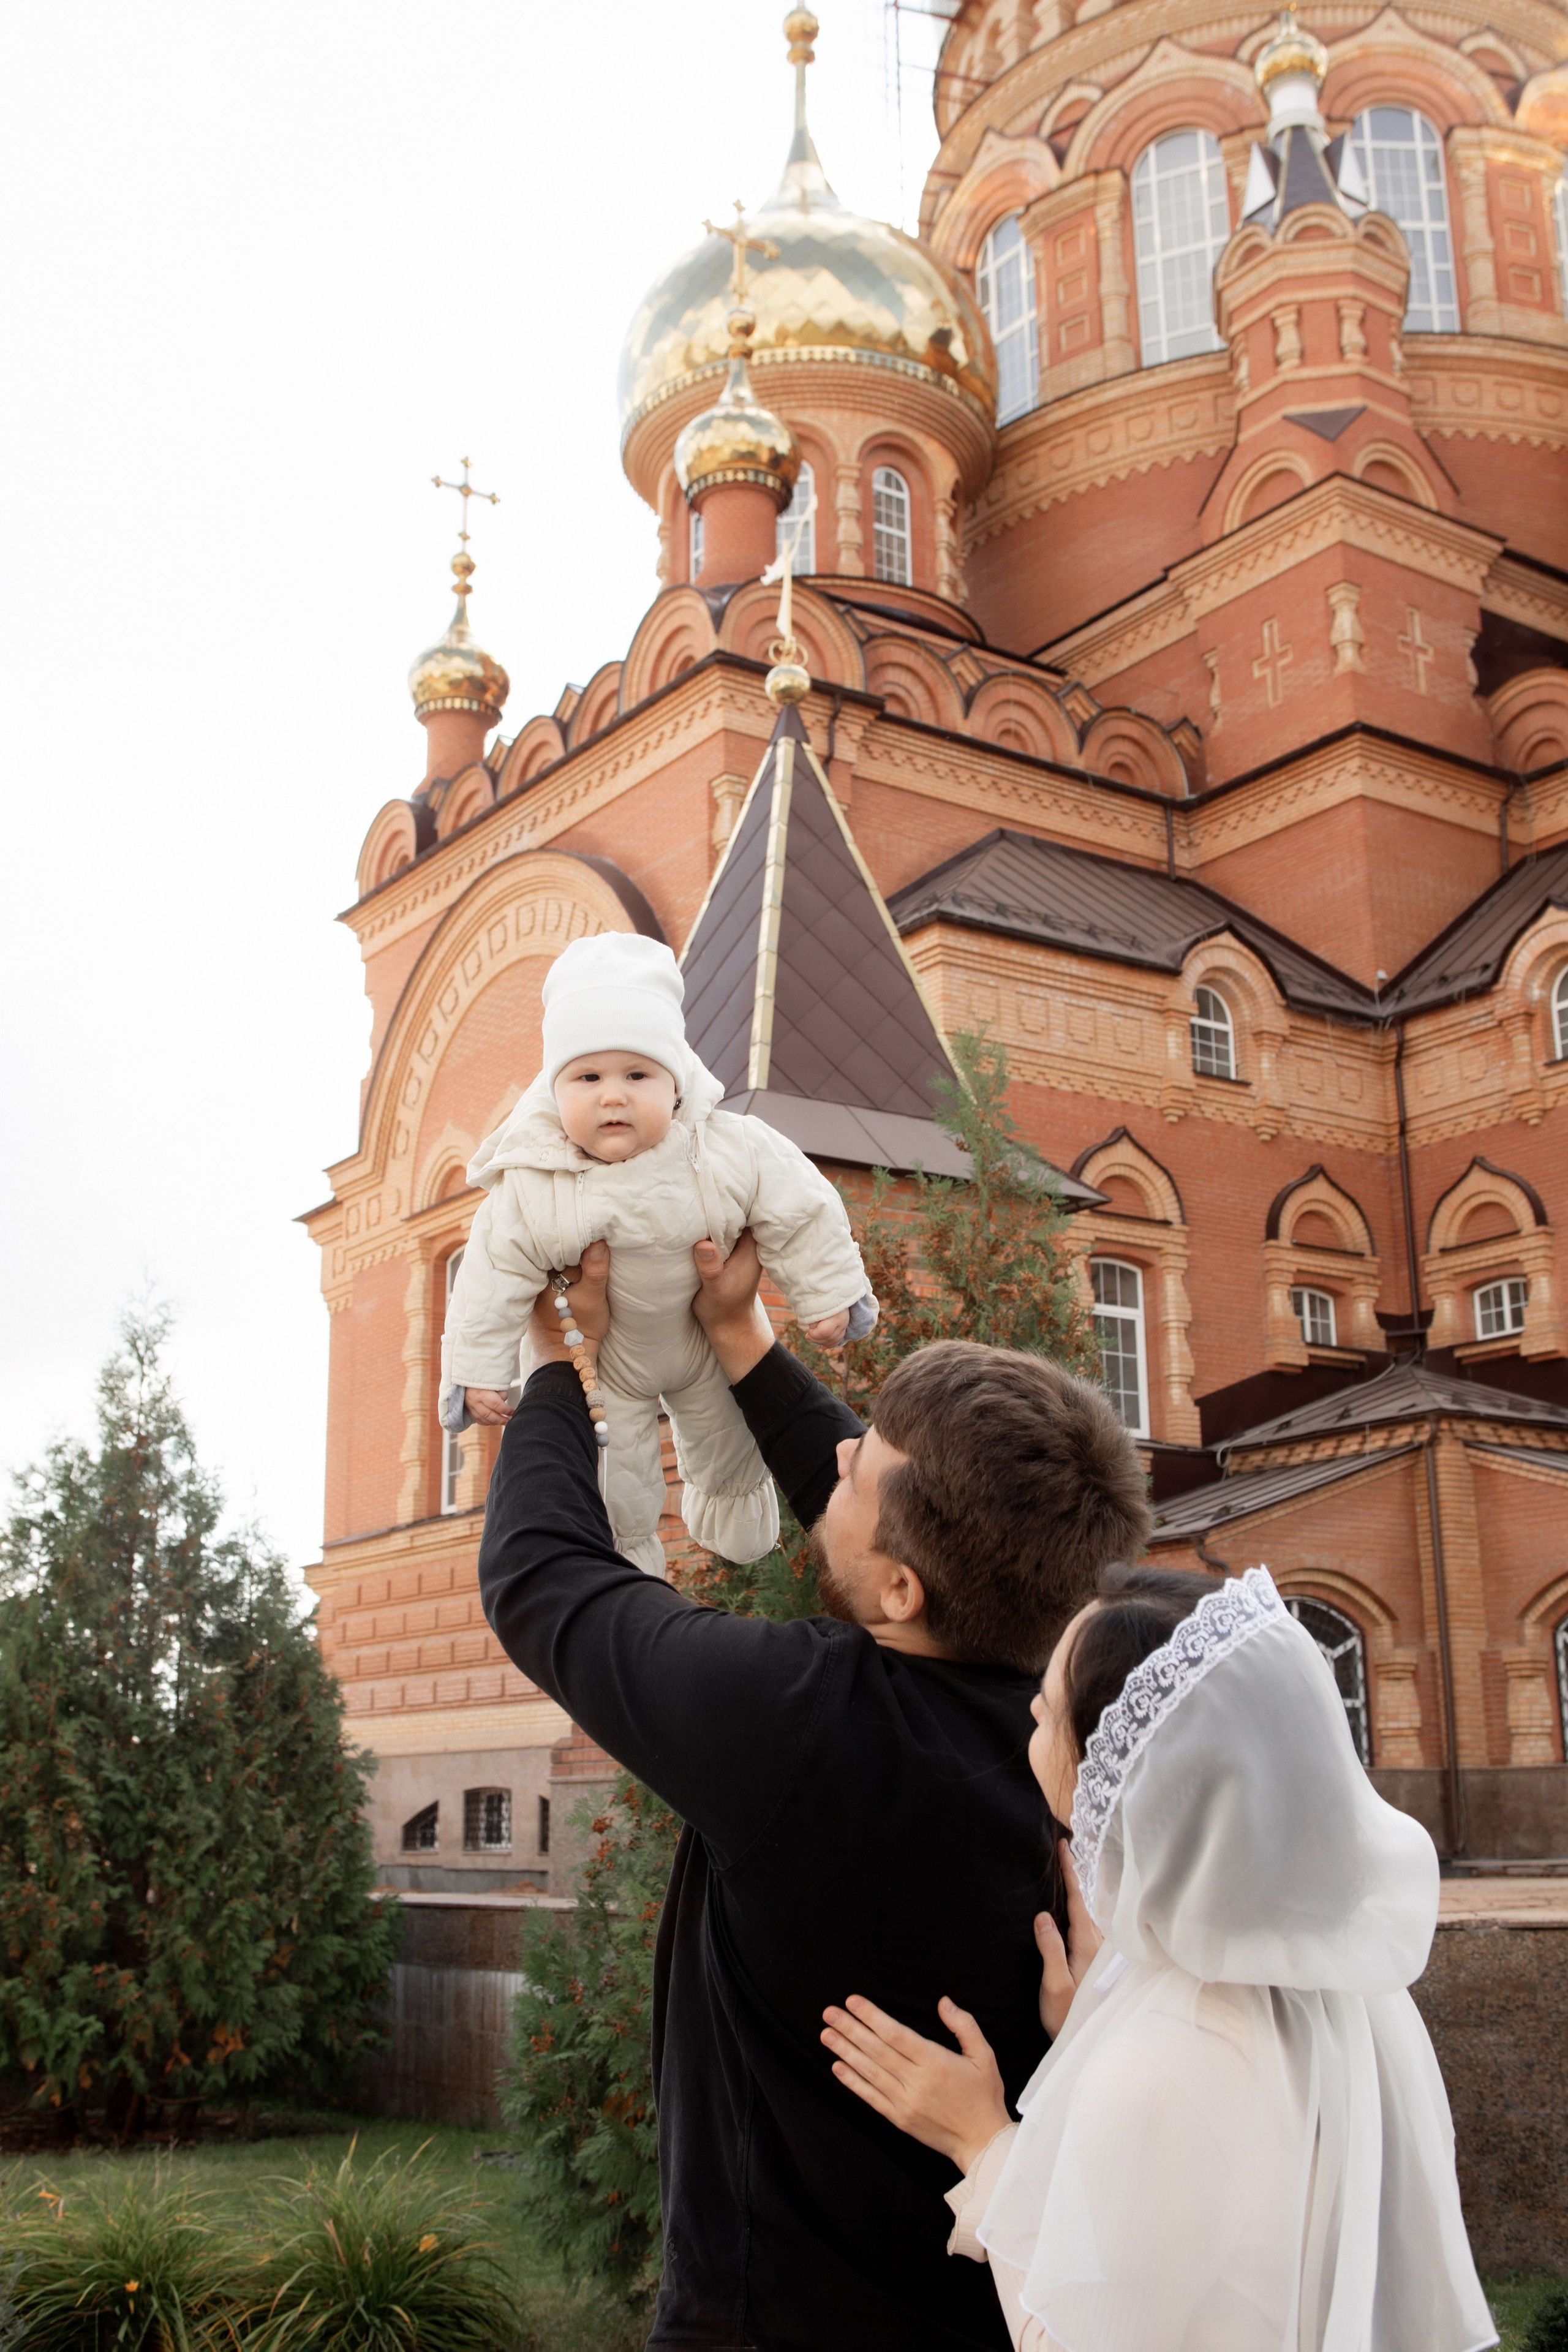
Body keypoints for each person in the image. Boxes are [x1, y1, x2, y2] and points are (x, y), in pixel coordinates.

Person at [475, 1231, 1152, 2351]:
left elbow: (547, 1579)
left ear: (900, 1588)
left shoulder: (799, 1726)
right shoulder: (1090, 1737)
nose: (836, 1458)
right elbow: (925, 1522)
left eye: (859, 1465)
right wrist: (742, 1335)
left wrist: (553, 1362)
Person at [822, 1562, 1497, 2352]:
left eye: (1046, 1715)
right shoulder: (1354, 1988)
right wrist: (1096, 2020)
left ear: (1123, 1781)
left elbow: (1072, 2340)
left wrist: (981, 2142)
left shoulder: (1162, 2060)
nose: (1029, 1726)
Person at [441, 931, 875, 1572]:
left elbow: (801, 1205)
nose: (611, 1095)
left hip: (705, 1346)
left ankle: (733, 1525)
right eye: (587, 1077)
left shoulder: (728, 1147)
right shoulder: (532, 1181)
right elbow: (489, 1276)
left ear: (675, 1084)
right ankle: (628, 1566)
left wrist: (830, 1294)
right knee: (618, 1474)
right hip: (604, 1362)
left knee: (727, 1440)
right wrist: (477, 1370)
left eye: (636, 1074)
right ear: (553, 1092)